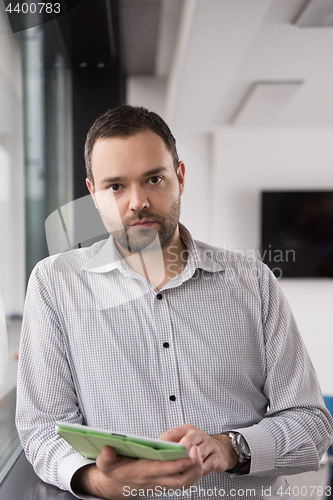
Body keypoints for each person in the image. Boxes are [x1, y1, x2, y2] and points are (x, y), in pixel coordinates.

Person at [16, 105, 333, 500]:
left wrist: (230, 447)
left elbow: (311, 424)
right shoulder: (54, 284)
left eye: (154, 179)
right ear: (93, 193)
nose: (138, 202)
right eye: (115, 186)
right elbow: (44, 428)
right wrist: (100, 482)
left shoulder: (254, 282)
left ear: (179, 177)